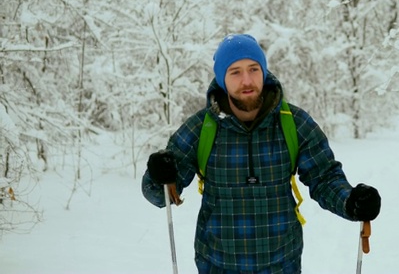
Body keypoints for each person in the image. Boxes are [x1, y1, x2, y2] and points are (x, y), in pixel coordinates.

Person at [141, 34, 381, 274]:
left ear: (263, 71)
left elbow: (324, 177)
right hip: (218, 264)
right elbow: (162, 195)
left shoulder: (294, 123)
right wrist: (157, 175)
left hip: (281, 264)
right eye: (235, 72)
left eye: (253, 69)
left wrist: (350, 201)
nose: (247, 80)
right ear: (222, 78)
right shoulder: (201, 128)